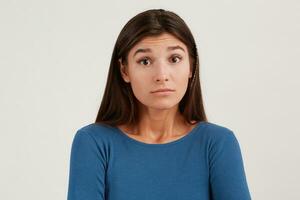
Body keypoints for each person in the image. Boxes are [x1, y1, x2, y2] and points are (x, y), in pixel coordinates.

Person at [67, 8, 251, 200]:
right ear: (124, 70)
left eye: (174, 59)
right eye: (145, 61)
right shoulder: (94, 143)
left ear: (191, 66)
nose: (162, 75)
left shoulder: (218, 143)